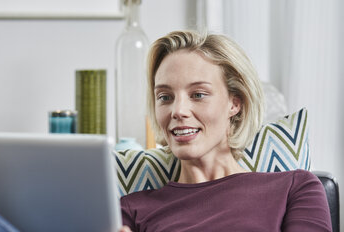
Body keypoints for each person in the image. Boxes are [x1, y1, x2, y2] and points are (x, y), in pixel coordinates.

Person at [119, 30, 332, 232]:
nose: (178, 111)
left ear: (234, 103)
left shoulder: (294, 189)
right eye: (165, 97)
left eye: (198, 94)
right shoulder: (131, 210)